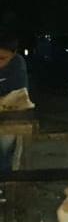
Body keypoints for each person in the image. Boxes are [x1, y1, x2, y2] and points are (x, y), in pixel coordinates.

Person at [0, 31, 30, 172]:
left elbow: (19, 96)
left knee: (6, 144)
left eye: (2, 58)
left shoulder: (17, 64)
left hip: (10, 117)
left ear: (14, 54)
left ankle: (5, 177)